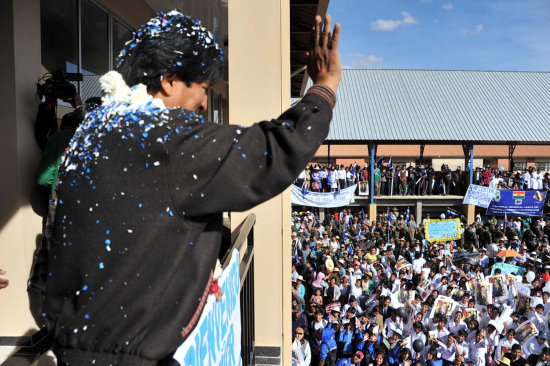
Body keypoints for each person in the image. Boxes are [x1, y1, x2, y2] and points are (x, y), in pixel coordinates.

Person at [40, 11, 342, 365]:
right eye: (203, 89)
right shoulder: (169, 140)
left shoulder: (91, 133)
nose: (203, 104)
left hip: (73, 347)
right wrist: (324, 87)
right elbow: (274, 151)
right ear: (169, 80)